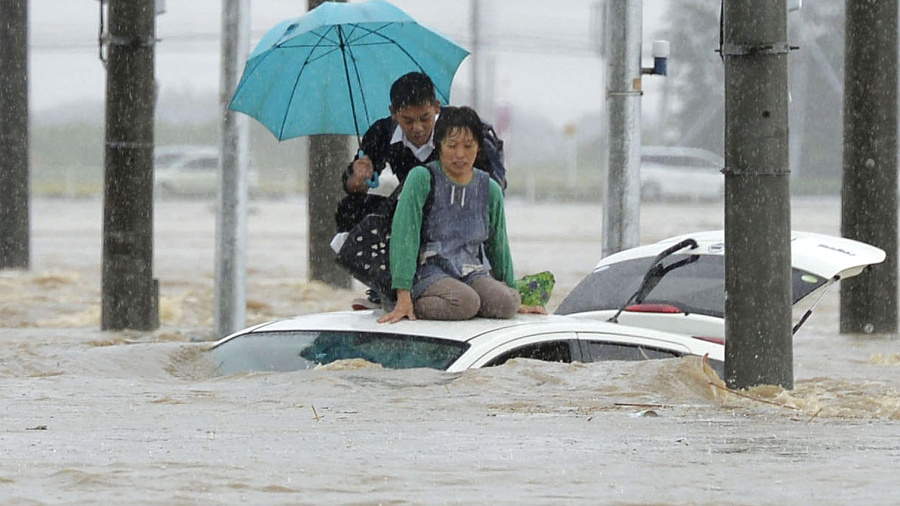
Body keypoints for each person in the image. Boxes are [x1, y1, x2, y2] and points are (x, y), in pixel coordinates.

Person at [336, 71, 506, 309]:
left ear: (436, 107)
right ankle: (386, 282)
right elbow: (354, 184)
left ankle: (454, 278)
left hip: (457, 211)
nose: (417, 128)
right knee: (349, 208)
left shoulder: (457, 129)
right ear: (394, 113)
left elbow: (490, 188)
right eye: (407, 120)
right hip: (411, 210)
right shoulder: (381, 133)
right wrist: (358, 175)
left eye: (424, 118)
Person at [378, 106, 545, 324]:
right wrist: (402, 293)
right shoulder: (422, 178)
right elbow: (404, 236)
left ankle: (472, 299)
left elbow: (499, 244)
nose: (460, 154)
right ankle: (403, 301)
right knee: (466, 303)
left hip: (470, 271)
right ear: (439, 145)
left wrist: (513, 291)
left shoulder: (490, 188)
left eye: (468, 146)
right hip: (429, 272)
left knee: (506, 303)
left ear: (478, 147)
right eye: (452, 145)